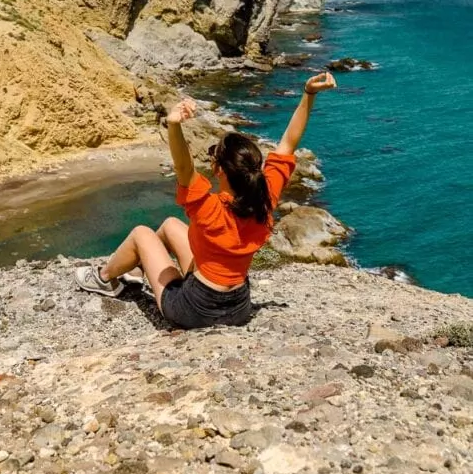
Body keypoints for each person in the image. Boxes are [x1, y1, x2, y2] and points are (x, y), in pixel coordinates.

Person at [75, 72, 337, 329]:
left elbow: (184, 167)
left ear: (219, 170)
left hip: (193, 309)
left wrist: (174, 125)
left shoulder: (207, 207)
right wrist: (308, 94)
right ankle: (135, 270)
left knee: (142, 233)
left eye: (214, 155)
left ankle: (104, 278)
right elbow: (288, 143)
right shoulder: (265, 198)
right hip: (238, 306)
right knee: (168, 225)